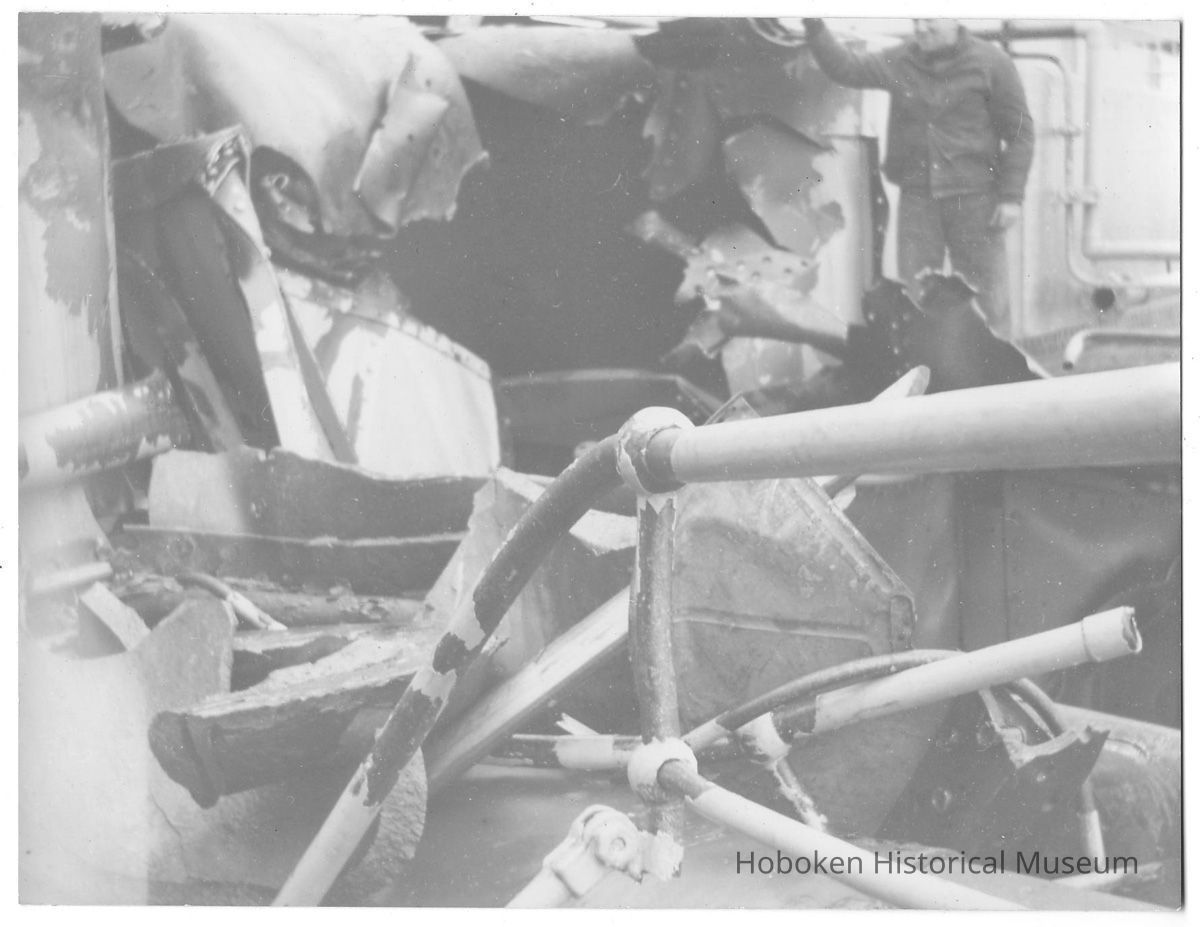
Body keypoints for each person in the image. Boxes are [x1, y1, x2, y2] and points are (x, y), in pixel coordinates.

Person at [803, 18, 1034, 334]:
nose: (920, 28)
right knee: (916, 296)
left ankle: (998, 379)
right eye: (916, 19)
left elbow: (1020, 133)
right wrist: (813, 24)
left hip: (976, 201)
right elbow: (846, 68)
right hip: (919, 201)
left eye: (929, 20)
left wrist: (1011, 197)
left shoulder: (992, 62)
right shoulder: (899, 59)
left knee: (988, 298)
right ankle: (925, 375)